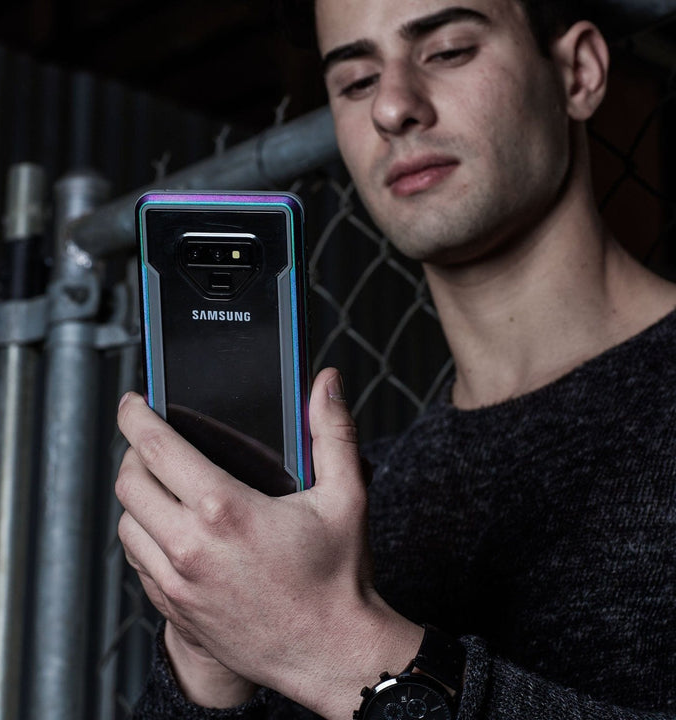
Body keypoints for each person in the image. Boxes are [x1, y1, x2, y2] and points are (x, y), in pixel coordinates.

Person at [115, 0, 676, 718]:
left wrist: (335, 644)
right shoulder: (340, 501)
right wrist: (205, 648)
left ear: (578, 71)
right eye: (354, 81)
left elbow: (331, 646)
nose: (392, 107)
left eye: (446, 51)